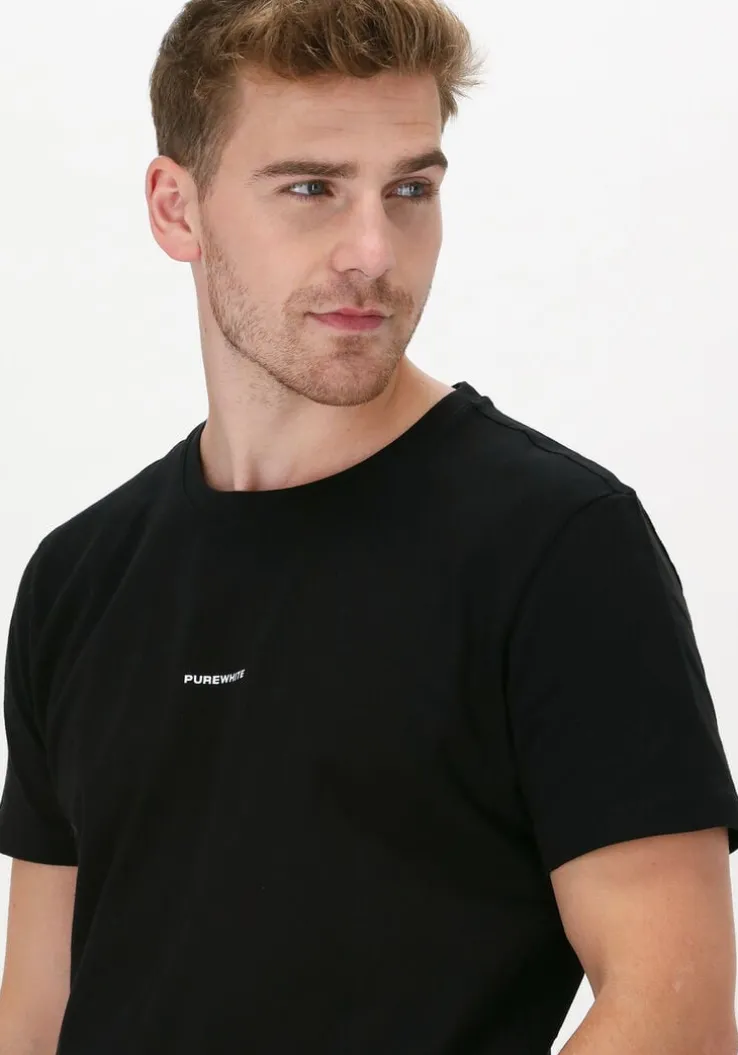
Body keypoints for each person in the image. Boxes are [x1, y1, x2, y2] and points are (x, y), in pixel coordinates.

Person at [1, 1, 737, 1053]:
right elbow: (37, 1015)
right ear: (177, 208)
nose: (372, 250)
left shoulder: (560, 549)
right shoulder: (79, 577)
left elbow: (675, 1012)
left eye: (410, 190)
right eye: (312, 188)